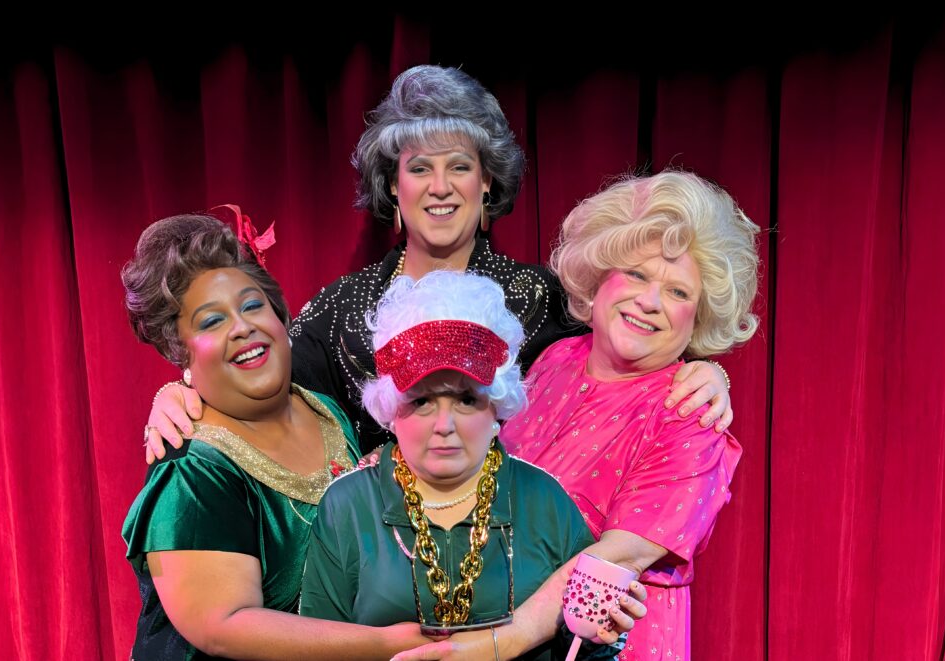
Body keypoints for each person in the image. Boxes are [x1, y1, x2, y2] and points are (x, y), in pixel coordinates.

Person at [143, 66, 732, 460]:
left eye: (460, 166)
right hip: (375, 566)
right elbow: (260, 386)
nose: (440, 187)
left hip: (515, 564)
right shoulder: (342, 309)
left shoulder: (543, 297)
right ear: (392, 186)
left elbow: (628, 358)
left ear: (487, 182)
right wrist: (182, 393)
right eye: (420, 168)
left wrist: (703, 373)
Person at [120, 213, 433, 659]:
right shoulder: (193, 470)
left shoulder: (325, 410)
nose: (241, 326)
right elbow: (223, 626)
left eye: (251, 306)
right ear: (181, 352)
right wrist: (385, 644)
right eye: (211, 322)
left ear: (281, 318)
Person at [299, 271, 646, 659]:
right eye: (421, 401)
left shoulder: (543, 499)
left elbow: (584, 649)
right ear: (393, 412)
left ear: (496, 407)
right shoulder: (348, 506)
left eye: (466, 400)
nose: (444, 425)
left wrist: (598, 637)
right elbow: (319, 647)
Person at [501, 171, 759, 660]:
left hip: (606, 648)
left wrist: (491, 644)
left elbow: (612, 562)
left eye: (678, 292)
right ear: (600, 274)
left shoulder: (690, 415)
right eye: (637, 274)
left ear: (698, 317)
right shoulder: (555, 358)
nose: (649, 301)